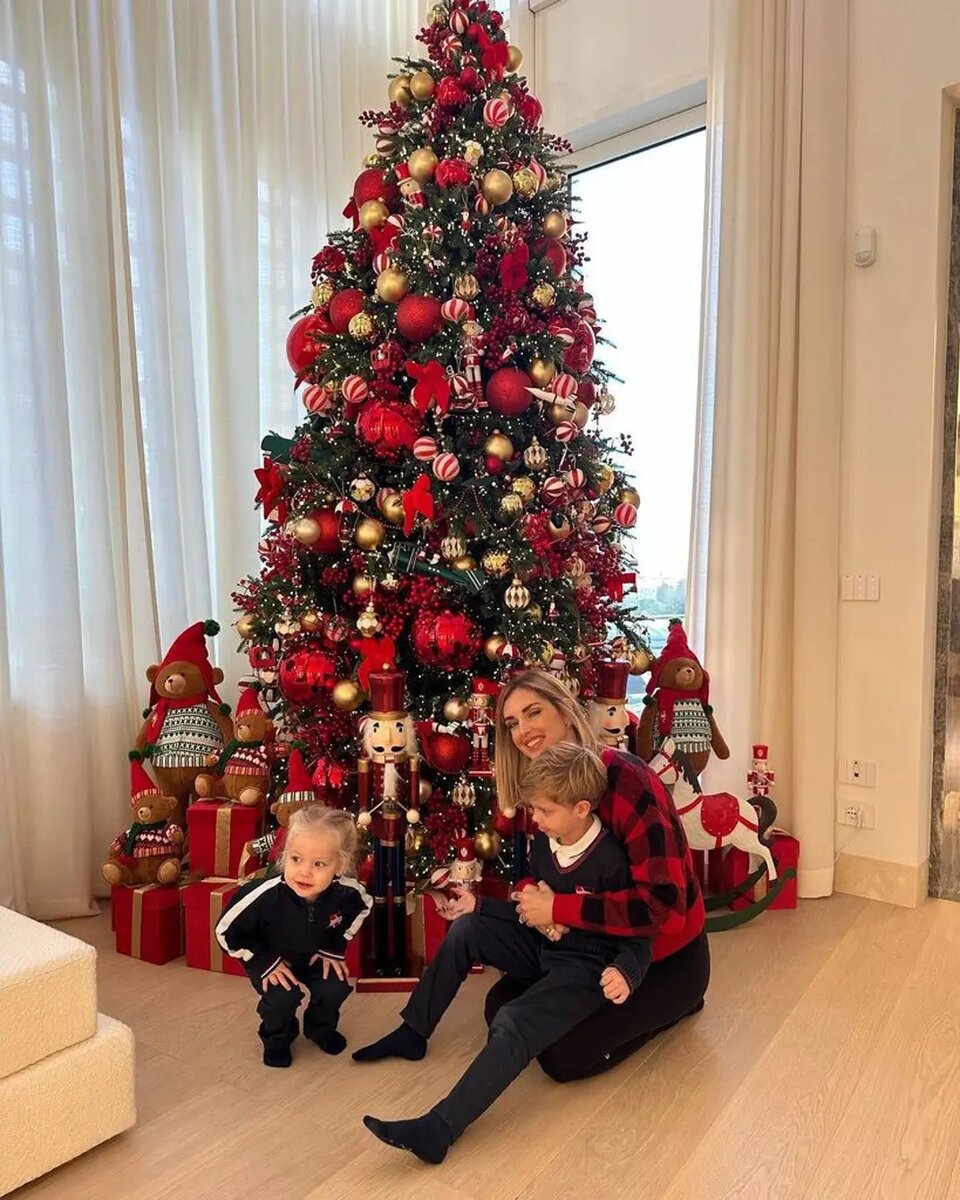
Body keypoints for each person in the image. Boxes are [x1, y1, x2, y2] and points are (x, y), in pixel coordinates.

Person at [356, 741, 652, 1164]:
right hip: (544, 946)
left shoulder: (610, 861)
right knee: (467, 929)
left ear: (581, 809)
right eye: (534, 809)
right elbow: (528, 908)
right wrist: (479, 906)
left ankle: (440, 1129)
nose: (536, 819)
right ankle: (414, 1030)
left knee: (513, 1020)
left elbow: (639, 929)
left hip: (586, 967)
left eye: (545, 811)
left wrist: (626, 970)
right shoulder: (545, 845)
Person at [486, 668, 710, 1081]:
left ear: (565, 711)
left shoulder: (626, 780)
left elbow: (663, 909)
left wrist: (560, 908)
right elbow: (529, 873)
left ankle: (678, 1003)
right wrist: (535, 899)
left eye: (533, 713)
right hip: (584, 952)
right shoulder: (538, 786)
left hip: (658, 956)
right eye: (512, 723)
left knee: (562, 1057)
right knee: (498, 1008)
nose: (522, 731)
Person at [215, 804, 371, 1067]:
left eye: (319, 864)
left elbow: (364, 907)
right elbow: (225, 931)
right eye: (296, 859)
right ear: (285, 854)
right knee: (281, 999)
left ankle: (320, 1029)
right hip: (270, 960)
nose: (304, 871)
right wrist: (262, 961)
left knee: (334, 987)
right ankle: (278, 1038)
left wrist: (334, 947)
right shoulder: (263, 895)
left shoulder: (348, 892)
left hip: (315, 955)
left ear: (340, 865)